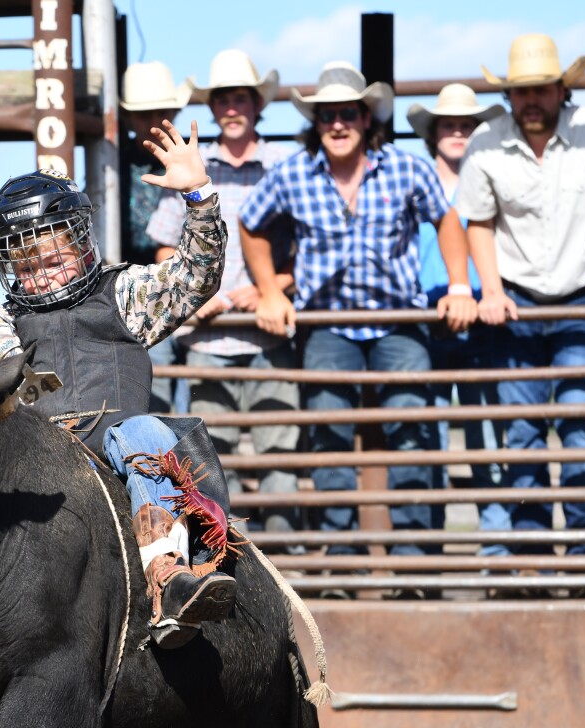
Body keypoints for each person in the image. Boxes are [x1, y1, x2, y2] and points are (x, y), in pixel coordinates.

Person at [0, 123, 229, 648]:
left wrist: (198, 197)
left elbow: (196, 276)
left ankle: (169, 575)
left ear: (80, 243)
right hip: (43, 458)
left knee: (143, 431)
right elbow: (0, 400)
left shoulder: (125, 291)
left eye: (54, 259)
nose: (44, 275)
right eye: (29, 268)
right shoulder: (5, 322)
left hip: (121, 445)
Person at [240, 61, 476, 590]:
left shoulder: (406, 168)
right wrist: (272, 290)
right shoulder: (294, 173)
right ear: (316, 122)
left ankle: (415, 565)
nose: (338, 124)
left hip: (398, 320)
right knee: (329, 440)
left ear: (367, 119)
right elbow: (251, 225)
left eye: (348, 114)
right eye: (327, 116)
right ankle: (341, 566)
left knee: (413, 432)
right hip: (328, 324)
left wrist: (459, 286)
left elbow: (447, 219)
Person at [457, 35, 585, 577]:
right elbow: (478, 221)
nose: (531, 100)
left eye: (540, 88)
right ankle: (532, 557)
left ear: (561, 88)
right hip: (515, 301)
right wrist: (490, 289)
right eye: (521, 91)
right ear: (511, 95)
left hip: (583, 295)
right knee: (521, 430)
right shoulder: (486, 141)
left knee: (578, 423)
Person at [146, 49, 300, 539]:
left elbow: (307, 246)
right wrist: (193, 294)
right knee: (210, 465)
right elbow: (165, 248)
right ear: (213, 110)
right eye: (223, 101)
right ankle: (221, 565)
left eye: (241, 99)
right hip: (207, 342)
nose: (232, 109)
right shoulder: (194, 165)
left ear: (257, 106)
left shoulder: (284, 165)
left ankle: (289, 567)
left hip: (266, 336)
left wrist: (272, 288)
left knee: (280, 457)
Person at [406, 83, 505, 557]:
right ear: (434, 134)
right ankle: (428, 556)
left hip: (485, 314)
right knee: (429, 441)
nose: (459, 133)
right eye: (449, 125)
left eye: (468, 125)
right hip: (426, 314)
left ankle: (498, 553)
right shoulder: (415, 180)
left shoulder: (494, 178)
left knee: (487, 435)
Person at [119, 61, 194, 410]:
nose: (152, 122)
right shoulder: (112, 165)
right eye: (142, 114)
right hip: (144, 292)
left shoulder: (192, 161)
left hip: (195, 284)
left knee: (200, 396)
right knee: (157, 394)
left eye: (161, 113)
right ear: (130, 119)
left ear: (174, 113)